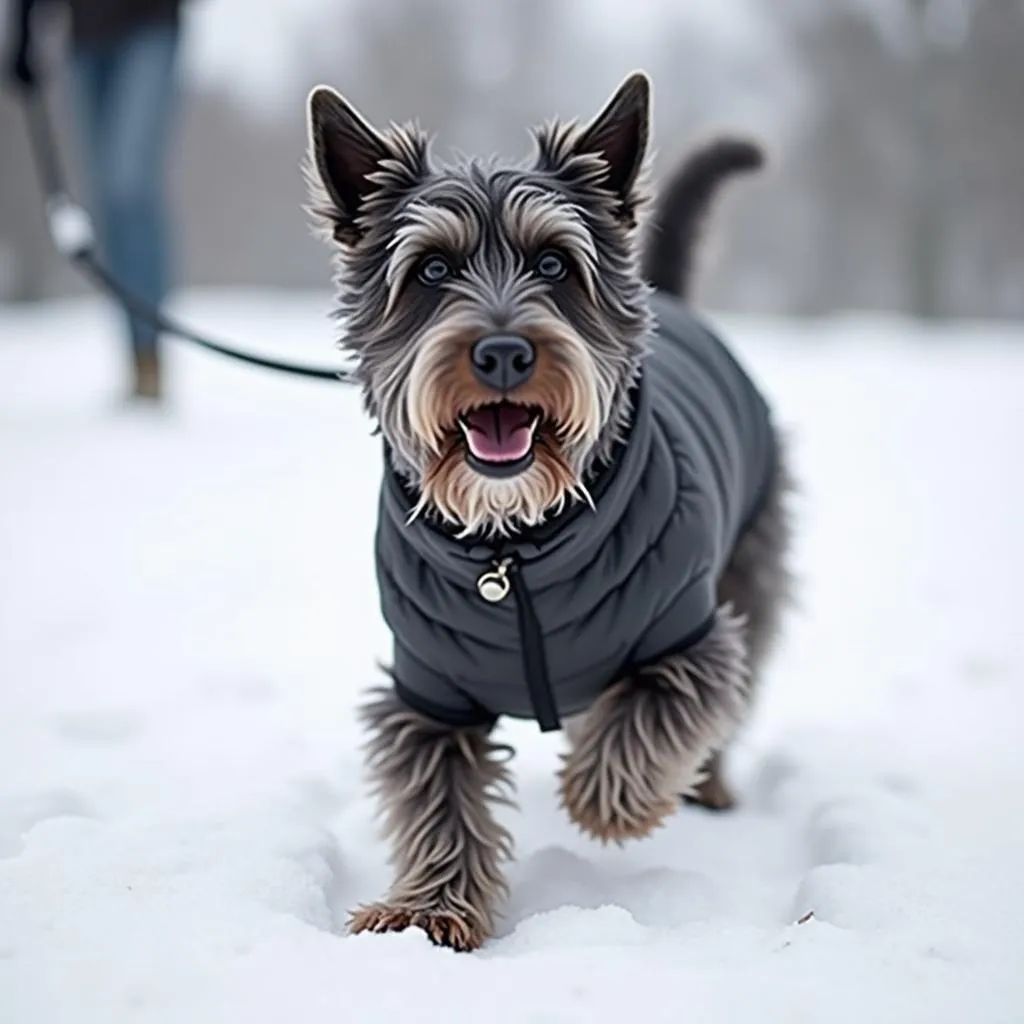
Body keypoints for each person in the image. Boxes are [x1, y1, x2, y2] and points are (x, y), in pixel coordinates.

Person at [4, 0, 185, 402]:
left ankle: (150, 349)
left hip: (150, 23)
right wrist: (21, 28)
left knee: (130, 186)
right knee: (106, 200)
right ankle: (134, 354)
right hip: (83, 33)